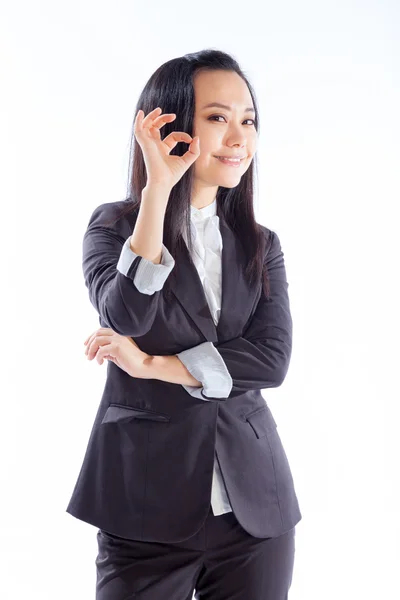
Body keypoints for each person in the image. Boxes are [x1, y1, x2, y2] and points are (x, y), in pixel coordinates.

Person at [66, 48, 302, 600]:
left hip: (255, 512)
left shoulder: (260, 245)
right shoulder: (114, 226)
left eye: (248, 120)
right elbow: (125, 312)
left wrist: (154, 364)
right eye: (218, 118)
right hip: (143, 505)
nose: (239, 137)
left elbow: (272, 360)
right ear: (170, 126)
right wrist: (156, 194)